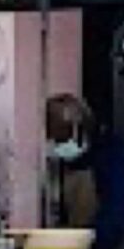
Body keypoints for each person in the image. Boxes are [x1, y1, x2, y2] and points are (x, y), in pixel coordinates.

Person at [45, 95, 101, 231]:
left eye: (62, 135)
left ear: (80, 129)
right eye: (52, 135)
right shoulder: (61, 165)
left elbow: (115, 220)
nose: (54, 142)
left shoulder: (113, 160)